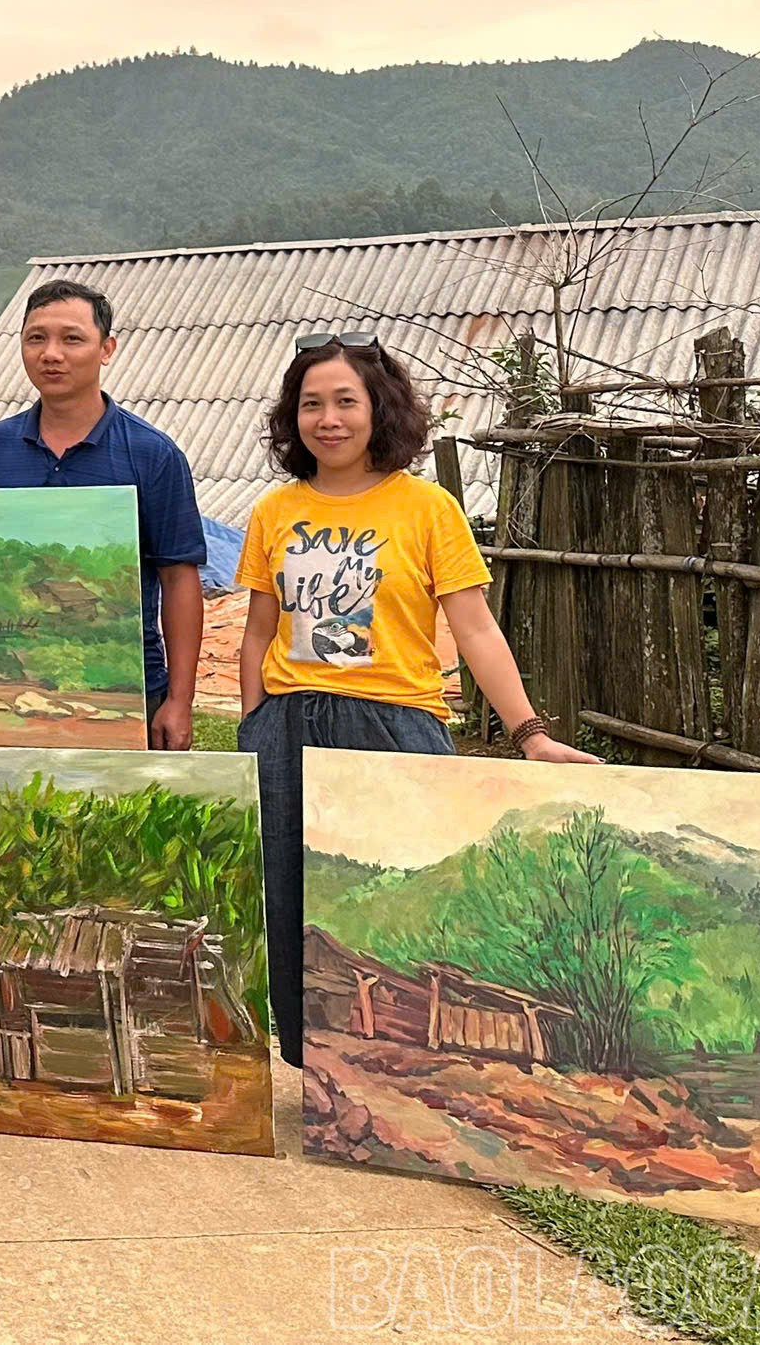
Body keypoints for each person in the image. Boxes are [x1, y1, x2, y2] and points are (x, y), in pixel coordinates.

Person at [237, 331, 599, 1065]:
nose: (328, 419)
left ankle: (398, 1072)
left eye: (346, 401)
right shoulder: (276, 511)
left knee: (400, 895)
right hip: (287, 725)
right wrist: (251, 730)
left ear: (381, 410)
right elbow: (256, 633)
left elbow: (475, 628)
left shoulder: (427, 509)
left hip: (393, 727)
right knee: (285, 899)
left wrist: (529, 730)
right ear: (292, 417)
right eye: (311, 404)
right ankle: (310, 1069)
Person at [0, 279, 209, 750]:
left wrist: (179, 699)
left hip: (129, 687)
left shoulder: (152, 455)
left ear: (106, 348)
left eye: (72, 339)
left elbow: (179, 580)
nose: (52, 353)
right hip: (6, 682)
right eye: (37, 338)